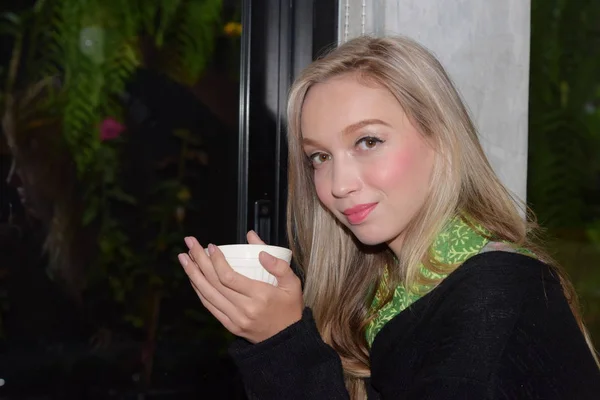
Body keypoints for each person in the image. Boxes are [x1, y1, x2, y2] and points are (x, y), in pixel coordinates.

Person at [177, 36, 600, 399]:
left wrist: (282, 343)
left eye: (368, 141)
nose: (338, 184)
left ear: (441, 140)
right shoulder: (387, 297)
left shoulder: (496, 289)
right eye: (319, 157)